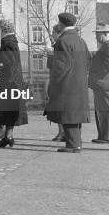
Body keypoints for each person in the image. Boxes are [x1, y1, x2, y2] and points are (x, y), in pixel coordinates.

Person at [46, 12, 90, 153]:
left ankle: (73, 145)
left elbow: (61, 66)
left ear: (61, 24)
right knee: (75, 114)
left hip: (67, 84)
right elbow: (88, 60)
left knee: (68, 114)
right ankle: (76, 143)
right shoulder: (80, 40)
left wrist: (53, 83)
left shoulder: (62, 41)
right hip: (80, 83)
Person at [0, 18, 28, 148]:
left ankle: (3, 134)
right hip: (13, 81)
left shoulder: (6, 43)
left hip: (7, 81)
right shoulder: (12, 41)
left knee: (3, 110)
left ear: (2, 30)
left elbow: (6, 63)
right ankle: (8, 136)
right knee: (10, 111)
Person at [88, 23, 109, 144]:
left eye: (97, 34)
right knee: (103, 110)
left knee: (107, 110)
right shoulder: (107, 45)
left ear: (105, 34)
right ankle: (104, 136)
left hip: (104, 83)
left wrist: (95, 75)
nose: (96, 36)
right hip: (103, 84)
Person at [47, 24, 65, 142]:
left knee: (60, 108)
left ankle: (63, 133)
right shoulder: (54, 46)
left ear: (58, 33)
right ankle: (60, 131)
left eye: (53, 33)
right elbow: (49, 66)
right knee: (56, 109)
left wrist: (52, 55)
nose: (51, 36)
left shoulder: (61, 46)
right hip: (53, 80)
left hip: (60, 82)